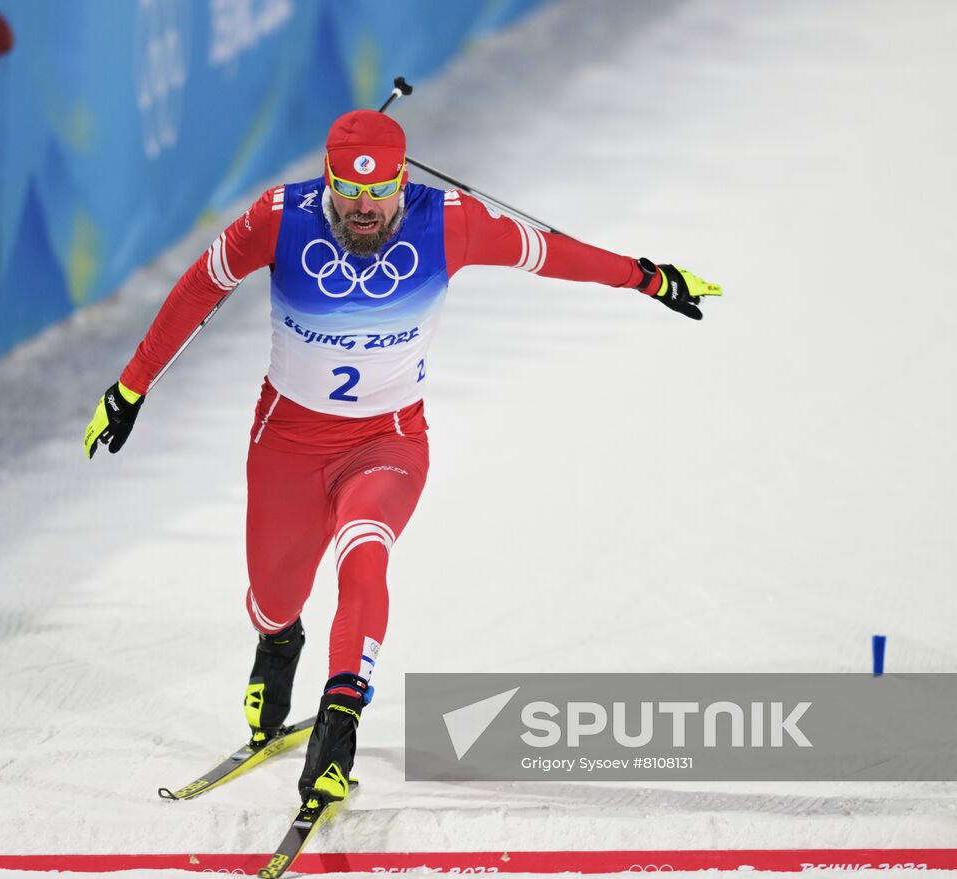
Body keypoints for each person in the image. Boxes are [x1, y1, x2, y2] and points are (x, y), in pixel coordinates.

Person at [84, 109, 722, 807]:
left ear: (402, 180)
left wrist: (647, 277)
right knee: (273, 597)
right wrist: (130, 386)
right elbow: (200, 287)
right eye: (349, 193)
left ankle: (339, 722)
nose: (364, 209)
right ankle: (278, 638)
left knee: (366, 547)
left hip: (388, 441)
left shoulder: (450, 221)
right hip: (287, 445)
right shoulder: (278, 216)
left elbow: (550, 252)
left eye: (380, 191)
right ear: (327, 178)